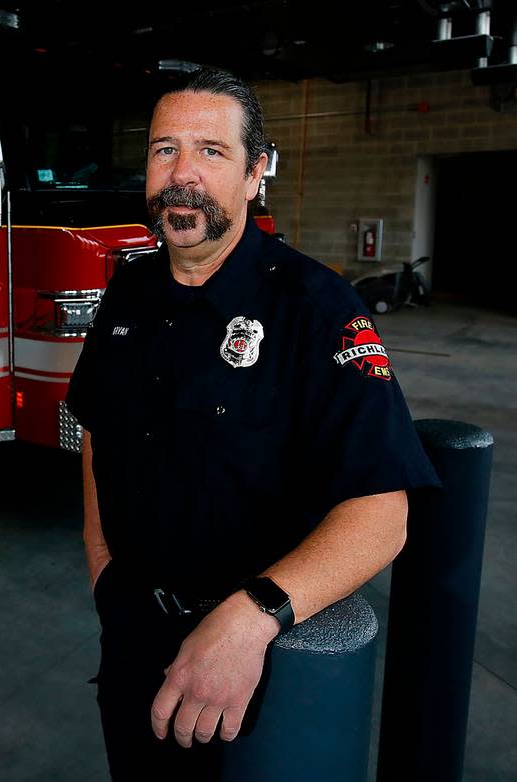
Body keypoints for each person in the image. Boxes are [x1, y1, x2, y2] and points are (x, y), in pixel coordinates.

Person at [65, 68, 439, 780]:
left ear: (255, 172)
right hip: (133, 632)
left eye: (211, 152)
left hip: (259, 659)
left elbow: (382, 515)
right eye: (164, 149)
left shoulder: (318, 308)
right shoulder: (129, 291)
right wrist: (103, 568)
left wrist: (249, 618)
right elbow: (96, 429)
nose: (182, 175)